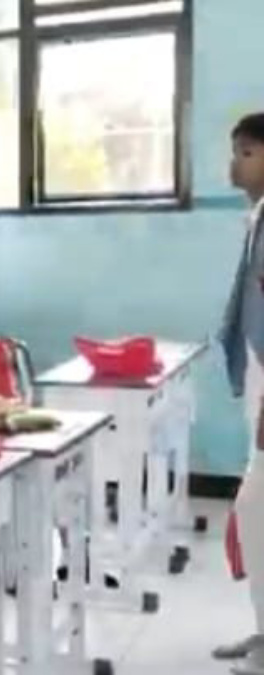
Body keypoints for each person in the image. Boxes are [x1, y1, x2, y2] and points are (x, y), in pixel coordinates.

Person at [217, 111, 264, 673]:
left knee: (255, 510)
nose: (234, 165)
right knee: (256, 514)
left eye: (247, 153)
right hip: (258, 379)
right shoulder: (257, 217)